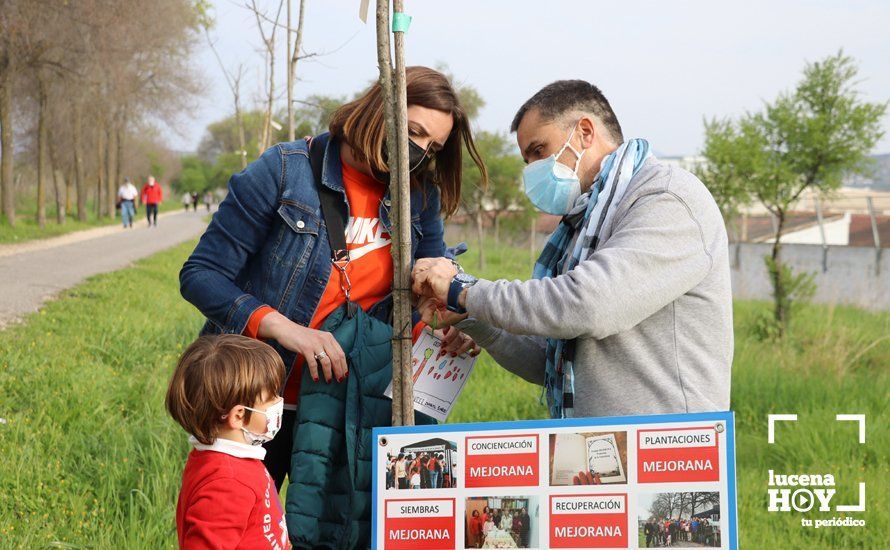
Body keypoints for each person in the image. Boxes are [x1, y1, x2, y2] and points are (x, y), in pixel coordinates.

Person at [179, 66, 485, 548]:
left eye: (433, 146)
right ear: (376, 110)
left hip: (350, 403)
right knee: (239, 530)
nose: (418, 153)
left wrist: (451, 318)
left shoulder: (416, 195)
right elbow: (200, 274)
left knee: (332, 534)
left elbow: (429, 278)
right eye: (413, 133)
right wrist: (285, 329)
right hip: (262, 400)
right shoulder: (284, 171)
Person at [411, 79, 733, 419]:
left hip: (668, 453)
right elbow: (551, 359)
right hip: (598, 448)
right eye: (526, 160)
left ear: (584, 132)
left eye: (538, 150)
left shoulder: (667, 198)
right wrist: (473, 318)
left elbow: (588, 305)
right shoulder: (586, 222)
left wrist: (463, 290)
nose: (532, 170)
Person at [165, 334, 287, 549]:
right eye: (271, 397)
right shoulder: (226, 483)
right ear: (238, 415)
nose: (278, 402)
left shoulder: (234, 457)